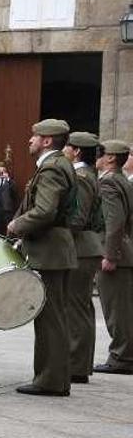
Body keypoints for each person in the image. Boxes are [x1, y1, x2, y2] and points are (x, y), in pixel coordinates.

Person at [6, 119, 77, 397]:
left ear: (47, 141)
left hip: (50, 252)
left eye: (34, 136)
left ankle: (51, 380)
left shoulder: (51, 168)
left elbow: (46, 211)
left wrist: (17, 225)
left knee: (50, 318)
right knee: (52, 316)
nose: (30, 140)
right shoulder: (56, 165)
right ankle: (52, 377)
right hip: (52, 249)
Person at [61, 132, 104, 384]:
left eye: (67, 146)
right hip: (86, 247)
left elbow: (78, 217)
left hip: (81, 248)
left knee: (75, 308)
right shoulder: (87, 175)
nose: (64, 150)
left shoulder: (82, 177)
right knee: (81, 307)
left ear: (76, 151)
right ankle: (79, 364)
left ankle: (75, 365)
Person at [93, 139, 133, 376]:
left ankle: (122, 356)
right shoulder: (122, 181)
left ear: (110, 158)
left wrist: (110, 254)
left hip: (117, 255)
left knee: (116, 309)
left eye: (101, 153)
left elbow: (114, 223)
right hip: (126, 253)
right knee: (124, 308)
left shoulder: (108, 183)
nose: (96, 157)